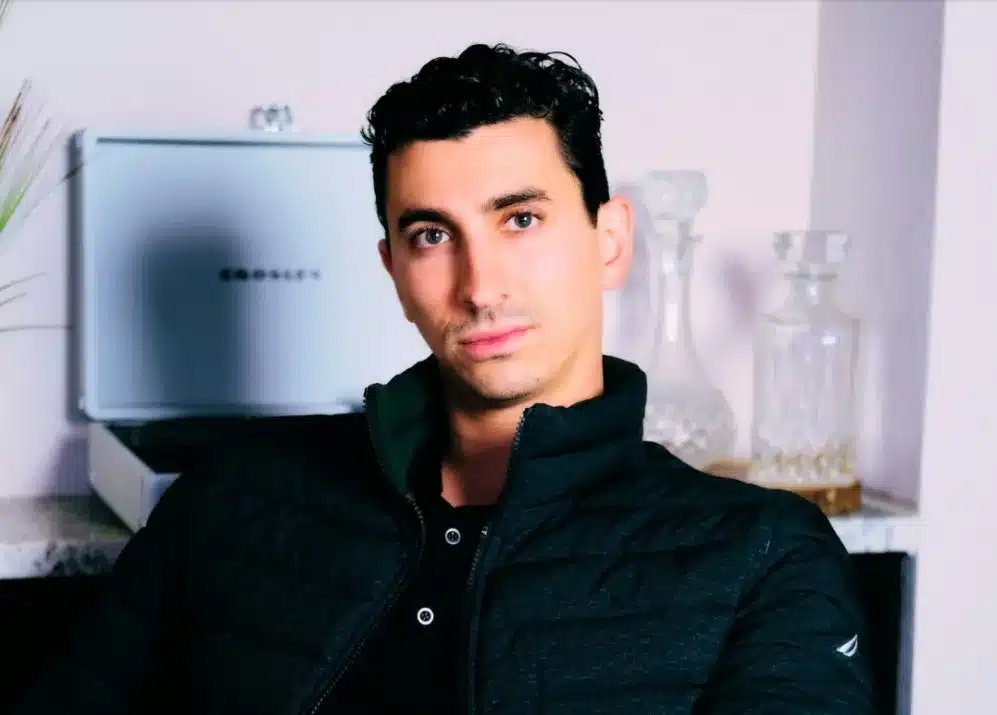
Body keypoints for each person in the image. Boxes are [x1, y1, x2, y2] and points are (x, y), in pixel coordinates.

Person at [13, 43, 873, 715]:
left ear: (609, 240)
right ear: (393, 267)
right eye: (432, 235)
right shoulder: (235, 494)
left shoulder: (762, 554)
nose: (479, 284)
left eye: (520, 219)